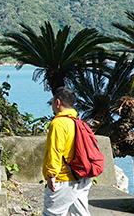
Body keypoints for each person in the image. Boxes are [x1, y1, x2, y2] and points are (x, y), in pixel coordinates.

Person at [42, 87, 92, 216]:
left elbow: (56, 150)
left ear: (57, 102)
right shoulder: (77, 122)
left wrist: (52, 175)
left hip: (64, 178)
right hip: (82, 176)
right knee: (80, 213)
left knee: (52, 214)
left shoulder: (58, 124)